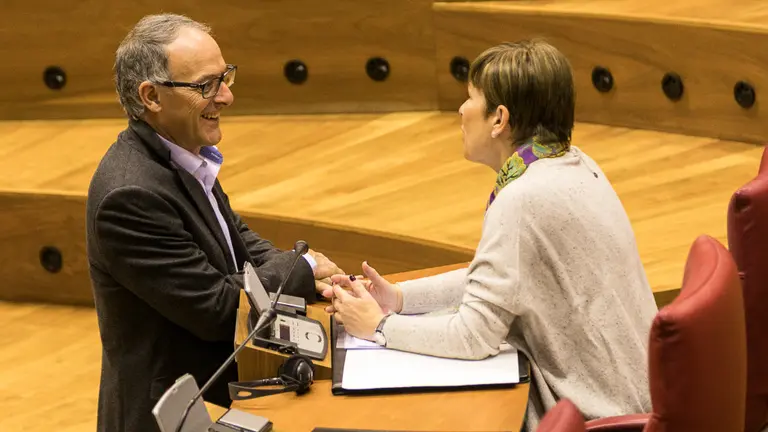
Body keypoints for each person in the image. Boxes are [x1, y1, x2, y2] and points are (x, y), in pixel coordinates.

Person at [325, 40, 658, 431]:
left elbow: (473, 337)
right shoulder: (574, 163)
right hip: (636, 395)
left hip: (599, 416)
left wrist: (379, 328)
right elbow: (499, 279)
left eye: (470, 98)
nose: (461, 110)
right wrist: (398, 299)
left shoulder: (524, 199)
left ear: (499, 119)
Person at [85, 14, 343, 432]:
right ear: (151, 96)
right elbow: (218, 310)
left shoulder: (179, 154)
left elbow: (235, 238)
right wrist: (303, 268)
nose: (225, 97)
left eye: (225, 78)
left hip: (222, 392)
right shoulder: (130, 197)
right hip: (177, 417)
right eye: (206, 85)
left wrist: (306, 270)